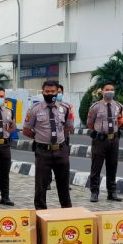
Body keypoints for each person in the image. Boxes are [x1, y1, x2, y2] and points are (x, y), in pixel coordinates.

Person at [23, 79, 73, 210]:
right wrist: (40, 137)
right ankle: (41, 213)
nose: (50, 93)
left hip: (61, 150)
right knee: (41, 185)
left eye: (53, 91)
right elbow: (26, 130)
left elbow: (68, 127)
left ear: (57, 92)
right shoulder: (34, 109)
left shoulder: (65, 109)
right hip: (43, 151)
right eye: (47, 91)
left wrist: (59, 138)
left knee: (63, 184)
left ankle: (67, 211)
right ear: (42, 92)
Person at [87, 83, 123, 202]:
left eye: (112, 90)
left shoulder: (119, 106)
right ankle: (94, 192)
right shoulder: (95, 107)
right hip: (100, 140)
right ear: (102, 92)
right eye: (107, 90)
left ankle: (112, 192)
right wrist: (100, 132)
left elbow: (120, 121)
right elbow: (89, 123)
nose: (110, 91)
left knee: (112, 166)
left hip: (113, 139)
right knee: (96, 167)